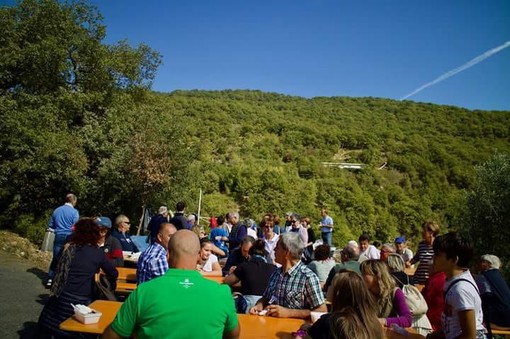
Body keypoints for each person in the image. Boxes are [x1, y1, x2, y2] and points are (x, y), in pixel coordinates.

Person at [102, 230, 240, 339]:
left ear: (167, 255)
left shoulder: (144, 292)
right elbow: (233, 334)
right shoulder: (222, 293)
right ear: (199, 256)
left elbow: (112, 335)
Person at [38, 218, 118, 338]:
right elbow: (113, 273)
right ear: (95, 234)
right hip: (81, 298)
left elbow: (56, 265)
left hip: (60, 295)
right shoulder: (97, 253)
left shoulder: (69, 248)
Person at [249, 232, 327, 319]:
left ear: (287, 252)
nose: (274, 250)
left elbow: (322, 311)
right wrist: (259, 305)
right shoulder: (276, 273)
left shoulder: (308, 277)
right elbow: (266, 298)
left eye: (277, 247)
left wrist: (289, 313)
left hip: (294, 331)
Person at [427, 232, 485, 339]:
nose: (433, 258)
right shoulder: (452, 282)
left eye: (438, 255)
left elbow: (469, 336)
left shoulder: (461, 289)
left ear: (454, 260)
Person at [300, 271, 384, 339]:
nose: (328, 287)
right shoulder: (372, 322)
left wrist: (301, 332)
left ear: (338, 292)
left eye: (331, 285)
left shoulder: (330, 322)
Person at [223, 239, 277, 313]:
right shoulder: (274, 268)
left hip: (248, 307)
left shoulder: (244, 266)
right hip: (266, 308)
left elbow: (226, 281)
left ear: (249, 255)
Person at [360, 259, 412, 328]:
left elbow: (407, 320)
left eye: (364, 274)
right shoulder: (362, 293)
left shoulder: (395, 292)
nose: (361, 277)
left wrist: (383, 321)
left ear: (377, 276)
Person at [46, 193, 79, 288]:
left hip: (59, 235)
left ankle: (50, 278)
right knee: (68, 258)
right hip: (69, 236)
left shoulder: (57, 210)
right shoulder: (74, 212)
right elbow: (75, 226)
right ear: (73, 201)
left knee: (56, 258)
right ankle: (63, 280)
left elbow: (51, 225)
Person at [475, 254, 510, 329]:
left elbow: (484, 295)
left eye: (483, 261)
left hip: (500, 317)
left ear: (489, 264)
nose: (479, 264)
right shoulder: (498, 276)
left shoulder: (484, 276)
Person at [411, 220, 440, 285]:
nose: (422, 232)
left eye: (424, 230)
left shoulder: (438, 246)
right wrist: (410, 262)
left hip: (431, 280)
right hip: (418, 279)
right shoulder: (421, 244)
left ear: (431, 232)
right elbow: (417, 257)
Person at [422, 258, 446, 332]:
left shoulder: (432, 281)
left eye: (428, 269)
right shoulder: (446, 276)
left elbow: (425, 300)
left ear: (434, 268)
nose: (427, 272)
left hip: (433, 318)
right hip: (443, 317)